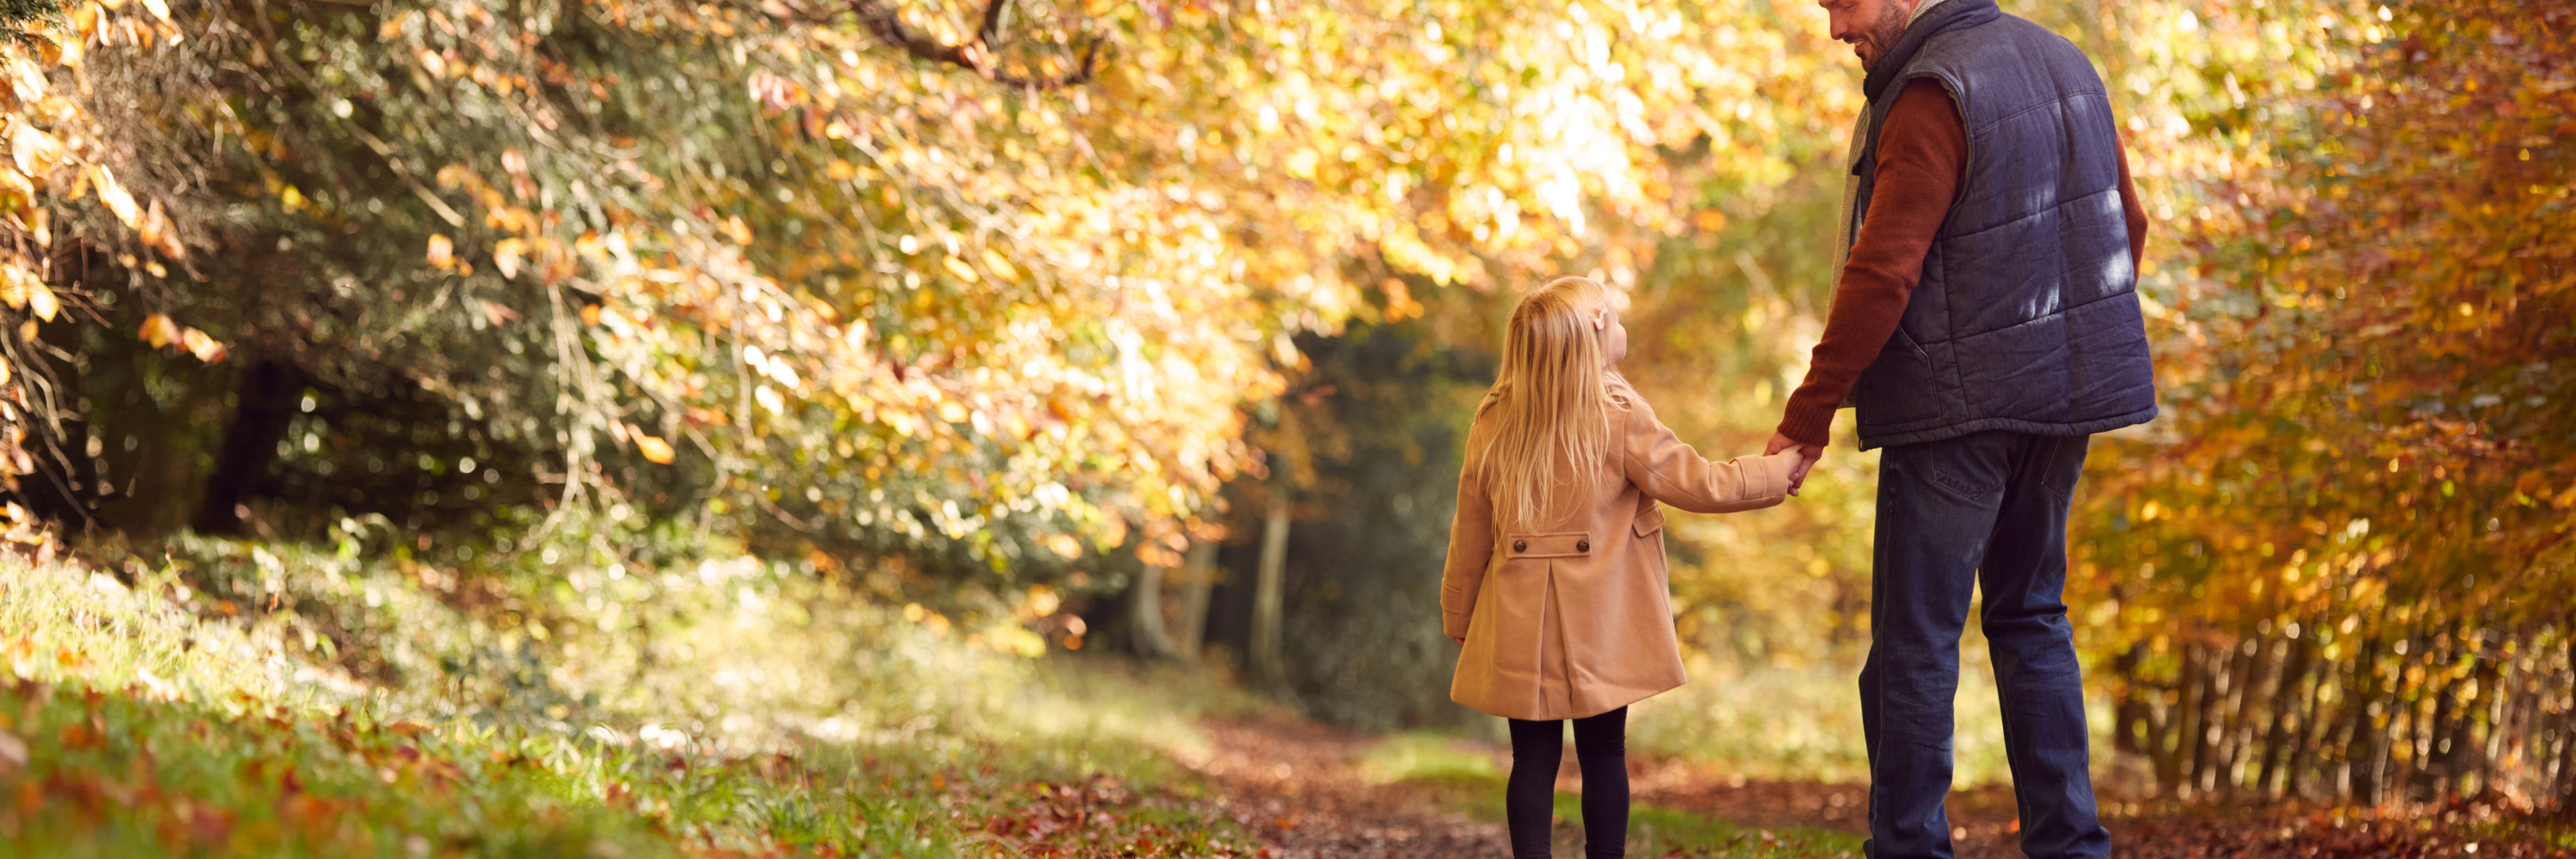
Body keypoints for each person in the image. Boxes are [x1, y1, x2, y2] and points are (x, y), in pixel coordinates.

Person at [1766, 0, 2155, 857]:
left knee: (1915, 645)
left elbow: (1883, 268)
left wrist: (1808, 416)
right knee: (2033, 619)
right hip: (2060, 404)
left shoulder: (1932, 88)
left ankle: (1907, 847)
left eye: (1844, 4)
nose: (1835, 28)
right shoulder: (2069, 67)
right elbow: (2128, 227)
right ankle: (2070, 846)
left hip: (1953, 414)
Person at [1441, 276, 1805, 859]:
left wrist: (1459, 613)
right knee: (1604, 753)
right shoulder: (1618, 414)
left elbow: (1470, 532)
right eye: (1613, 317)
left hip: (1516, 620)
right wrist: (1776, 471)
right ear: (1595, 337)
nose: (1622, 326)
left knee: (1531, 759)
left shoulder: (1494, 421)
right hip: (1599, 622)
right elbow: (1699, 483)